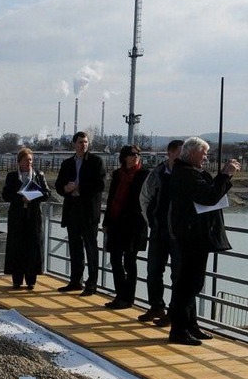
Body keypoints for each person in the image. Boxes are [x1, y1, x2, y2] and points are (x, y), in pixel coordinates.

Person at [167, 137, 240, 346]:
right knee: (188, 284)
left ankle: (190, 325)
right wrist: (225, 175)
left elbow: (210, 192)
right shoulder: (185, 174)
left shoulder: (189, 172)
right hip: (192, 235)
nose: (206, 157)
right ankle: (179, 330)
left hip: (196, 235)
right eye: (204, 153)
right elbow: (208, 196)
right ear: (192, 153)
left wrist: (221, 177)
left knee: (193, 283)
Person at [54, 131, 106, 296]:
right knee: (75, 247)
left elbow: (100, 184)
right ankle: (76, 281)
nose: (83, 145)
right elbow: (58, 185)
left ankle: (92, 284)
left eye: (85, 142)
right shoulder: (67, 163)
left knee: (91, 248)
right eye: (80, 142)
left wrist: (79, 186)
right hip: (72, 208)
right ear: (74, 144)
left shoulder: (96, 161)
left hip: (89, 210)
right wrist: (65, 188)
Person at [138, 139, 183, 325]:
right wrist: (152, 222)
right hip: (159, 231)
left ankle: (174, 312)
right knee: (153, 272)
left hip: (178, 235)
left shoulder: (187, 174)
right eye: (180, 153)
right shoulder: (157, 173)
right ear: (170, 153)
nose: (182, 157)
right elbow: (145, 198)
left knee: (178, 275)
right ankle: (156, 306)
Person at [102, 145, 149, 309]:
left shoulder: (144, 174)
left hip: (134, 224)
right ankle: (120, 294)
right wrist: (106, 222)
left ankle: (128, 298)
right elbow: (111, 198)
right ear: (124, 157)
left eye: (138, 154)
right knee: (115, 260)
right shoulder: (118, 174)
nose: (136, 156)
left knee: (130, 261)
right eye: (132, 154)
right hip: (116, 222)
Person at [2, 147, 50, 290]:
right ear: (19, 162)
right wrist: (20, 198)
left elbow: (47, 193)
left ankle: (31, 280)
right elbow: (6, 195)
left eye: (30, 160)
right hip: (17, 216)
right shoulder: (12, 176)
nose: (28, 162)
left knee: (32, 246)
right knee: (17, 246)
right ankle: (17, 279)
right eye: (26, 160)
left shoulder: (38, 175)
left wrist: (33, 197)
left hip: (33, 216)